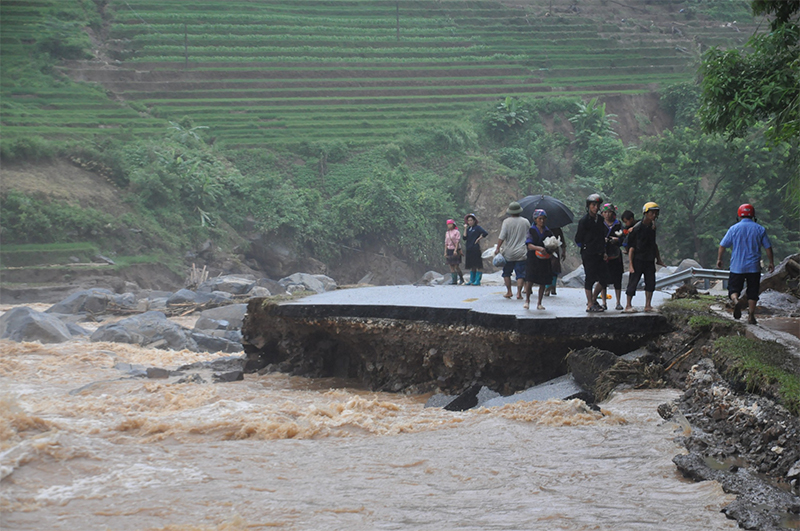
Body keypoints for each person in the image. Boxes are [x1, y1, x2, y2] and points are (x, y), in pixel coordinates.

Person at [716, 203, 774, 325]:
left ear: (739, 215)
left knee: (733, 289)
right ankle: (751, 316)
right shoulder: (760, 229)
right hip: (753, 267)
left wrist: (719, 259)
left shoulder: (733, 229)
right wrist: (771, 262)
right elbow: (768, 247)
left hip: (737, 267)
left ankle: (736, 300)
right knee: (753, 291)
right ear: (753, 216)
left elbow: (722, 245)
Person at [624, 202, 665, 313]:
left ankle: (648, 305)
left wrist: (659, 259)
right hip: (638, 259)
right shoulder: (637, 228)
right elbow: (631, 248)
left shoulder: (652, 228)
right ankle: (628, 305)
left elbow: (654, 244)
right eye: (652, 212)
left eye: (656, 213)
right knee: (633, 282)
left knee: (650, 282)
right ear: (645, 213)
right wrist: (631, 265)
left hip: (649, 259)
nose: (654, 215)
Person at [574, 193, 608, 312]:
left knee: (604, 279)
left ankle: (593, 299)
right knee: (590, 278)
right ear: (588, 206)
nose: (595, 207)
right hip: (588, 253)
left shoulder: (600, 220)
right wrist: (585, 248)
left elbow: (602, 235)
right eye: (593, 205)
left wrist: (603, 250)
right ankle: (589, 304)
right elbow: (578, 238)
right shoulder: (584, 221)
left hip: (599, 252)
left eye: (597, 205)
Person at [494, 201, 530, 299]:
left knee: (506, 273)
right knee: (520, 274)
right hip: (522, 252)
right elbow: (530, 235)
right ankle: (519, 293)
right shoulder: (525, 221)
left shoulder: (506, 222)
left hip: (508, 253)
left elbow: (502, 236)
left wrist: (497, 248)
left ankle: (509, 292)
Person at [524, 209, 554, 310]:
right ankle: (527, 300)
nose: (542, 221)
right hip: (533, 258)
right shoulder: (531, 230)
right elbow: (529, 245)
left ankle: (539, 303)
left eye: (544, 219)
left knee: (543, 281)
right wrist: (539, 248)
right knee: (530, 280)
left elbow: (552, 243)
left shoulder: (548, 231)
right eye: (540, 219)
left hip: (544, 259)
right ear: (535, 219)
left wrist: (551, 249)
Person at [599, 203, 624, 311]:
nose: (607, 214)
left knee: (617, 278)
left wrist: (617, 240)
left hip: (615, 254)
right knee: (602, 279)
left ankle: (618, 302)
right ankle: (604, 302)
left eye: (609, 212)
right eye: (605, 212)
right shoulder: (600, 224)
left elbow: (624, 237)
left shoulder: (618, 224)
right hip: (603, 255)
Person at [463, 213, 489, 285]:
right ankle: (472, 280)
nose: (470, 222)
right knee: (472, 265)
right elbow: (464, 238)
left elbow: (485, 233)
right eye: (468, 221)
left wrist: (479, 239)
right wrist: (465, 228)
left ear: (474, 221)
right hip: (469, 248)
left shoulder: (477, 228)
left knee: (478, 265)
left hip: (475, 248)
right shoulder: (468, 229)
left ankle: (478, 280)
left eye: (471, 220)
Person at [543, 226, 566, 296]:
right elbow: (562, 242)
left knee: (548, 269)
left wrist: (563, 251)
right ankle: (552, 287)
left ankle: (548, 287)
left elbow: (562, 241)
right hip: (548, 251)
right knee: (553, 269)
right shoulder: (557, 229)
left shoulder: (543, 229)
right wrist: (563, 252)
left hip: (548, 251)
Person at [444, 219, 464, 285]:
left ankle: (461, 278)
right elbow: (446, 243)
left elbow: (457, 242)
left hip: (455, 250)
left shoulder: (456, 232)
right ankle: (454, 280)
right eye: (448, 224)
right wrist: (445, 252)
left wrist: (455, 250)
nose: (449, 226)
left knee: (456, 266)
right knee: (451, 266)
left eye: (450, 224)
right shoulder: (447, 233)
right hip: (449, 250)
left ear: (453, 224)